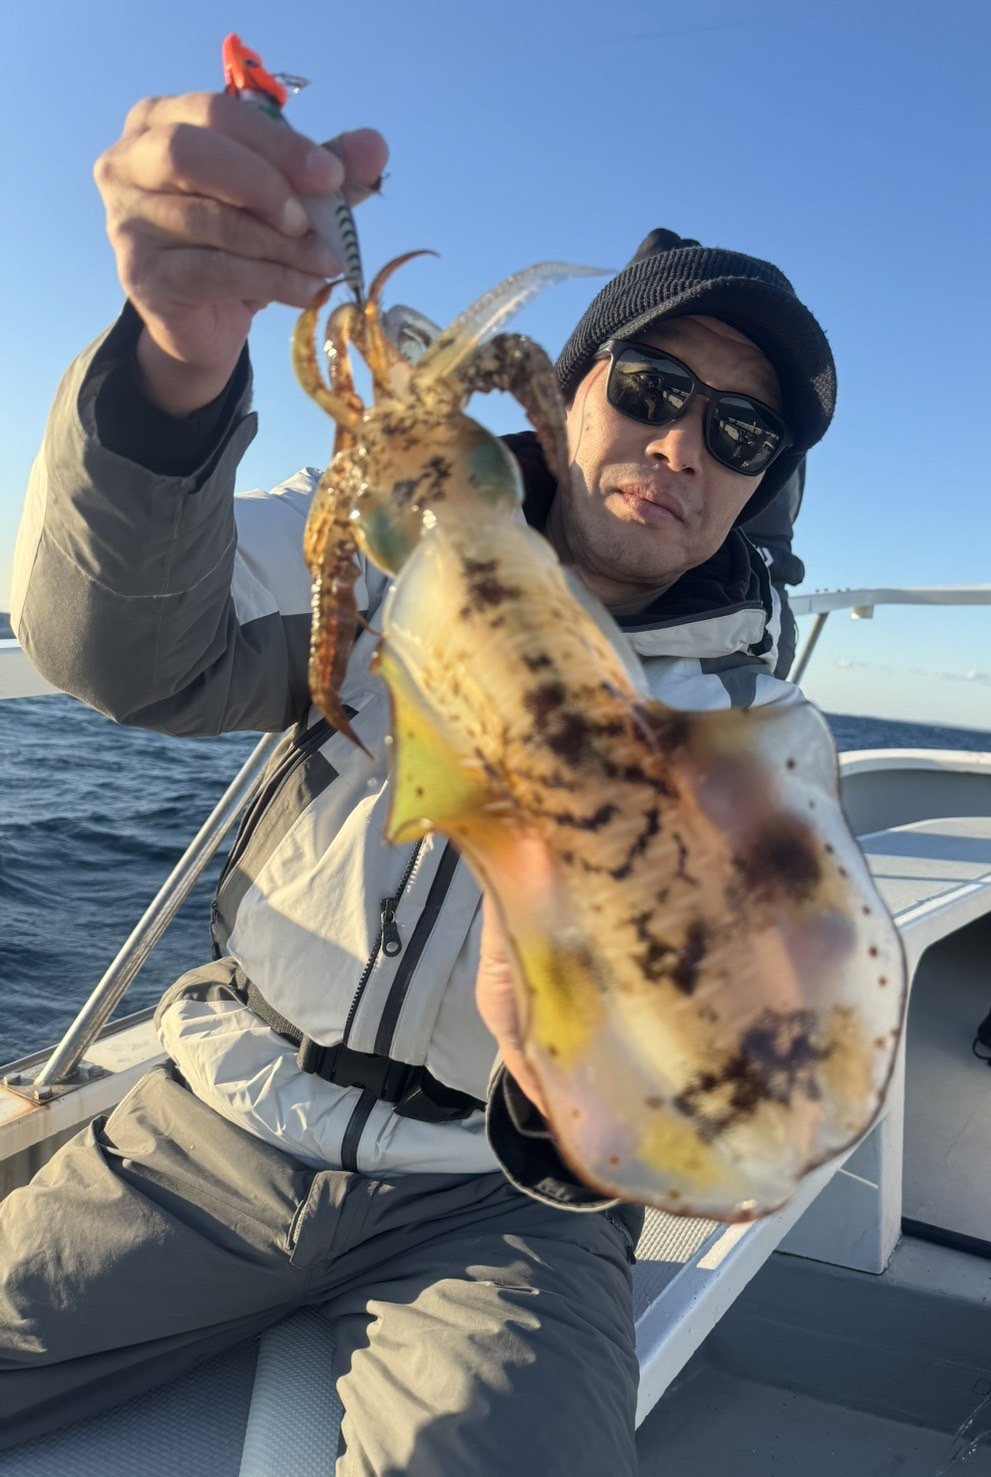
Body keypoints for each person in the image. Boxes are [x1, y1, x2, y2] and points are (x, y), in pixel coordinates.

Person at [2, 92, 836, 1475]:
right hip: (219, 1118)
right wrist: (175, 372)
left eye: (743, 436)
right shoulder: (387, 544)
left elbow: (752, 1059)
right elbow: (126, 655)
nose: (684, 445)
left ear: (762, 489)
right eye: (651, 388)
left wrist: (589, 1085)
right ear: (560, 393)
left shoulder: (760, 736)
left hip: (501, 1211)